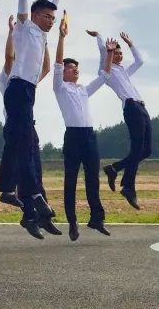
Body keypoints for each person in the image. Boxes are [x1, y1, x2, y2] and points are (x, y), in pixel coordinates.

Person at [0, 0, 61, 239]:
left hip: (28, 91)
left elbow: (44, 70)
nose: (51, 20)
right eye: (47, 16)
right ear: (34, 15)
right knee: (24, 144)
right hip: (18, 89)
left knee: (24, 144)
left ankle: (16, 192)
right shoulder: (24, 28)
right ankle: (32, 195)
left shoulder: (42, 37)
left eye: (53, 17)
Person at [53, 14, 113, 241]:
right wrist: (61, 37)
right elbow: (57, 65)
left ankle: (97, 218)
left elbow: (105, 75)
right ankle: (72, 222)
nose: (74, 69)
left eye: (76, 67)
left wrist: (108, 53)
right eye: (71, 67)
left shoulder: (84, 90)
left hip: (90, 136)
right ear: (65, 71)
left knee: (93, 180)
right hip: (73, 137)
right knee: (70, 180)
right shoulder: (60, 88)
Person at [86, 29, 148, 210]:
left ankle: (114, 169)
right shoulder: (107, 70)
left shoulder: (124, 71)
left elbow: (140, 61)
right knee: (137, 149)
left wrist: (131, 44)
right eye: (116, 52)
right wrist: (100, 39)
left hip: (142, 107)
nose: (119, 55)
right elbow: (102, 53)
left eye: (121, 53)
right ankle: (128, 186)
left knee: (146, 150)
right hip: (131, 107)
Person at [0, 14, 50, 210]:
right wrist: (11, 33)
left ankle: (37, 210)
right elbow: (9, 57)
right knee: (25, 166)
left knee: (34, 166)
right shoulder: (10, 76)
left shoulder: (29, 78)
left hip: (28, 124)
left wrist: (44, 41)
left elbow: (45, 67)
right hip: (14, 123)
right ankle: (29, 206)